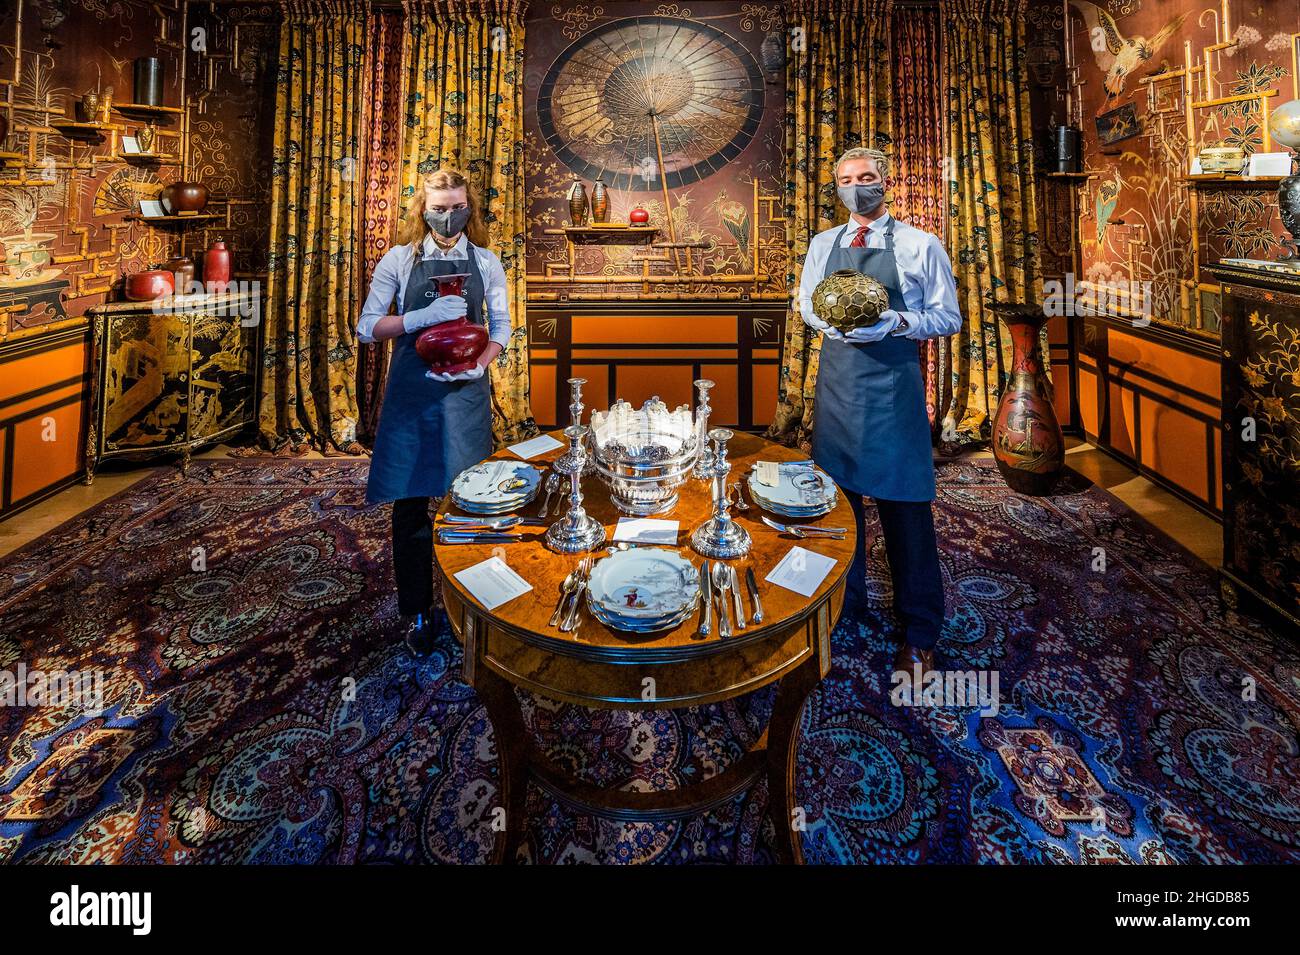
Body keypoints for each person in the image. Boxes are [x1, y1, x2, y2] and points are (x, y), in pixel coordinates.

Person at [797, 147, 961, 677]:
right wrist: (832, 325)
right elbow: (805, 303)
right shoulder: (824, 244)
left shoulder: (920, 244)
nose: (856, 187)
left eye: (865, 177)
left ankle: (919, 631)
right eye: (845, 180)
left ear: (885, 182)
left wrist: (894, 322)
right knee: (837, 511)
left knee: (904, 509)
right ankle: (844, 608)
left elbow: (947, 316)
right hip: (838, 387)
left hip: (892, 390)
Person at [357, 168, 511, 656]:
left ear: (470, 208)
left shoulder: (486, 263)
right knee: (411, 504)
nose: (448, 217)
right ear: (421, 210)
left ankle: (472, 602)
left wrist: (480, 366)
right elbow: (367, 328)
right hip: (412, 394)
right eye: (439, 208)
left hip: (464, 395)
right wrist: (420, 319)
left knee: (469, 501)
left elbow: (502, 328)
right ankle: (419, 610)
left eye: (457, 207)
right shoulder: (399, 261)